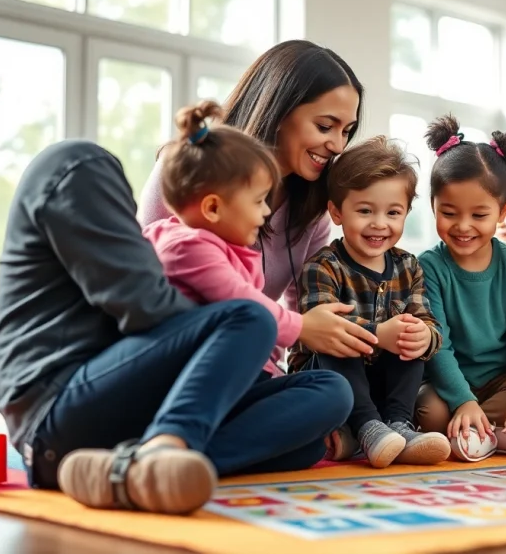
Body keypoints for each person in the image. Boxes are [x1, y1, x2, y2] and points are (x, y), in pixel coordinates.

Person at [0, 139, 354, 517]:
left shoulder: (226, 248)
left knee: (313, 429)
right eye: (259, 200)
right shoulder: (88, 170)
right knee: (251, 317)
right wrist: (243, 337)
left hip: (119, 406)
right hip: (58, 414)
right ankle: (163, 448)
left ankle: (134, 469)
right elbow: (149, 308)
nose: (266, 213)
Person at [138, 39, 378, 372]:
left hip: (255, 366)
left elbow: (306, 315)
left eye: (346, 131)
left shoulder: (311, 211)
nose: (337, 145)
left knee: (333, 391)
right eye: (324, 126)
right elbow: (136, 277)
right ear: (280, 110)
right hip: (175, 358)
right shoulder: (186, 169)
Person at [289, 136, 451, 468]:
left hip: (380, 386)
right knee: (341, 339)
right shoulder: (323, 266)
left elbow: (431, 325)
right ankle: (366, 428)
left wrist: (425, 336)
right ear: (336, 211)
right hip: (324, 378)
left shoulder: (409, 265)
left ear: (406, 212)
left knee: (411, 335)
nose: (379, 223)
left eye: (393, 212)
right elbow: (322, 328)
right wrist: (380, 333)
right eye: (365, 211)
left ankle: (397, 428)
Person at [413, 115, 506, 463]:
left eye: (479, 215)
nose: (463, 227)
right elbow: (438, 344)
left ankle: (485, 433)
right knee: (427, 412)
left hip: (497, 383)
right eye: (449, 212)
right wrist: (462, 400)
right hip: (449, 385)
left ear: (503, 211)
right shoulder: (428, 265)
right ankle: (497, 434)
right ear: (433, 205)